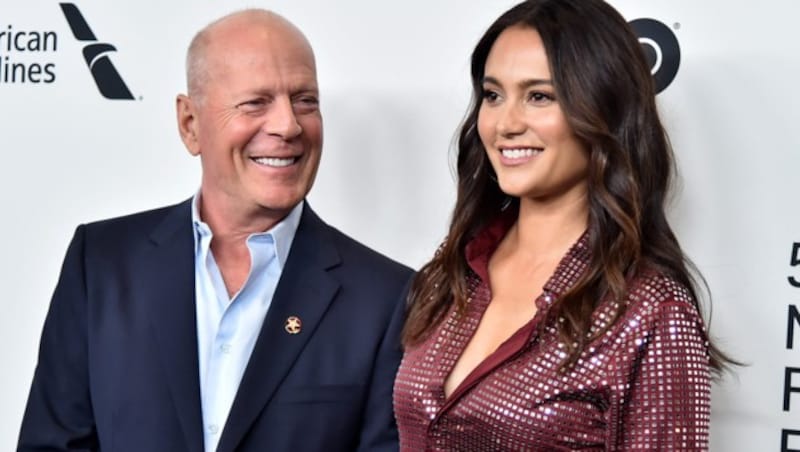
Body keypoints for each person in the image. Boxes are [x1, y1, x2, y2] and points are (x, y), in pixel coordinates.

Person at [18, 9, 412, 452]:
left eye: (305, 100)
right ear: (190, 124)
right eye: (255, 103)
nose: (289, 125)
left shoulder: (388, 297)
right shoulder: (102, 265)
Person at [394, 0, 734, 450]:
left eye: (539, 96)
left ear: (604, 111)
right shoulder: (452, 272)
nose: (505, 123)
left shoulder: (650, 311)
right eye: (494, 95)